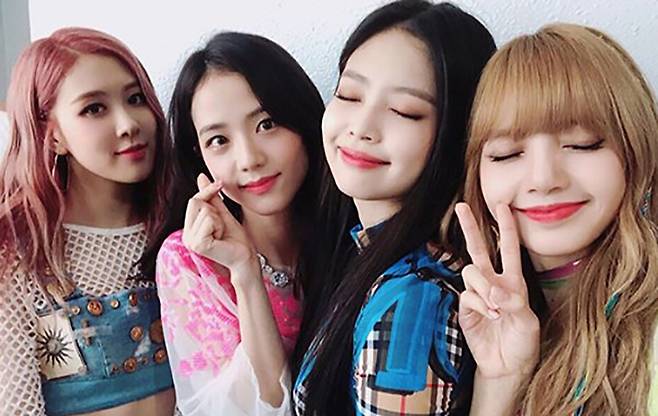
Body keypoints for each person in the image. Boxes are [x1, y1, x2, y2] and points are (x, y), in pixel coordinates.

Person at [291, 1, 497, 414]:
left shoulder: (414, 300)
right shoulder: (363, 253)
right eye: (349, 94)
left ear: (457, 134)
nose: (361, 127)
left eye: (404, 111)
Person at [458, 23, 658, 415]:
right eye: (507, 153)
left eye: (582, 144)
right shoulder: (473, 313)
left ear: (637, 153)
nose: (544, 179)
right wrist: (500, 381)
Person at [142, 31, 330, 415]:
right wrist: (245, 273)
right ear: (200, 157)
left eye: (267, 124)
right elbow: (261, 409)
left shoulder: (348, 233)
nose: (249, 159)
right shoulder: (189, 260)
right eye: (218, 140)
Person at [0, 28, 174, 415]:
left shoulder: (178, 233)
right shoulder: (21, 258)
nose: (128, 123)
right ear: (52, 136)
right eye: (94, 108)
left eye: (135, 98)